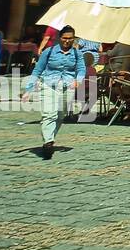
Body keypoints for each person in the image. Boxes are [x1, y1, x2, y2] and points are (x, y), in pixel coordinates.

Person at [21, 24, 87, 159]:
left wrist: (78, 80)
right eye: (64, 38)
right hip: (48, 85)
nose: (67, 41)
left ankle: (50, 138)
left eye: (70, 38)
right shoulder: (49, 52)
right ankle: (48, 142)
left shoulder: (77, 53)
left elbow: (81, 69)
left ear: (74, 39)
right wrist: (28, 89)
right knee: (48, 114)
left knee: (60, 115)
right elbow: (37, 70)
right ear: (59, 38)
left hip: (67, 87)